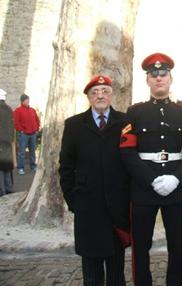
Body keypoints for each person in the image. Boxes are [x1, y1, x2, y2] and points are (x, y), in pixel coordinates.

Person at [119, 53, 182, 286]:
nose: (158, 79)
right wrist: (150, 180)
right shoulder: (134, 112)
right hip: (144, 189)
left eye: (163, 74)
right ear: (147, 80)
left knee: (177, 245)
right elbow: (126, 150)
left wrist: (176, 178)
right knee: (140, 247)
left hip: (176, 188)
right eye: (153, 75)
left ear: (170, 78)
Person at [59, 75, 130, 286]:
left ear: (111, 94)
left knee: (117, 270)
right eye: (95, 92)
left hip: (117, 209)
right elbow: (66, 167)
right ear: (88, 97)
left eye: (104, 91)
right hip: (88, 209)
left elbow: (132, 162)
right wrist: (74, 202)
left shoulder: (125, 122)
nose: (100, 95)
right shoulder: (74, 125)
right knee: (91, 272)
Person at [13, 94, 40, 175]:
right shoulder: (18, 110)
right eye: (26, 100)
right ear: (22, 101)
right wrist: (20, 130)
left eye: (28, 100)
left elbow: (37, 120)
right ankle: (20, 168)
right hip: (24, 134)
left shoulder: (32, 110)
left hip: (33, 133)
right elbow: (16, 122)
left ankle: (33, 166)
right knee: (21, 152)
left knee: (32, 151)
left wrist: (37, 128)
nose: (28, 101)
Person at [0, 89, 15, 196]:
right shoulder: (9, 109)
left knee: (0, 168)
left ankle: (2, 190)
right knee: (7, 166)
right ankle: (9, 188)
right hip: (8, 142)